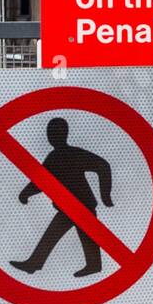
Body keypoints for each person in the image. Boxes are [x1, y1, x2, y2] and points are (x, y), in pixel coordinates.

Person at [11, 118, 113, 279]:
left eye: (52, 133)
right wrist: (25, 193)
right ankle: (36, 263)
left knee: (71, 235)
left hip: (80, 206)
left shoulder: (64, 155)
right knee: (77, 235)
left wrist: (106, 195)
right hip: (70, 206)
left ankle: (35, 263)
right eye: (49, 133)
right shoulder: (57, 156)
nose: (50, 137)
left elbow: (102, 166)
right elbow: (41, 181)